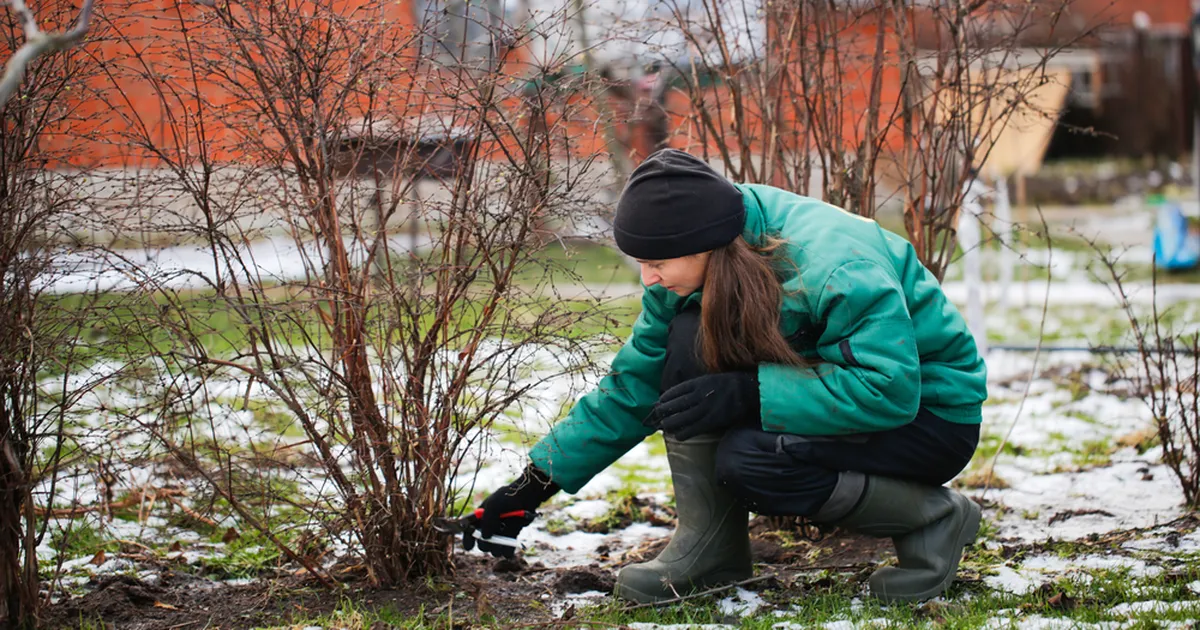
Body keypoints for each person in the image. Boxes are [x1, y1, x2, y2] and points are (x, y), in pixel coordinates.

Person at [462, 149, 988, 604]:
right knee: (688, 339)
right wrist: (531, 487)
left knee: (753, 461)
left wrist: (750, 393)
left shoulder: (834, 266)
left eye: (655, 262)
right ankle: (712, 553)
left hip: (929, 420)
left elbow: (887, 390)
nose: (648, 278)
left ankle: (933, 518)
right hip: (844, 402)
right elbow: (636, 384)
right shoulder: (700, 259)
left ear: (705, 245)